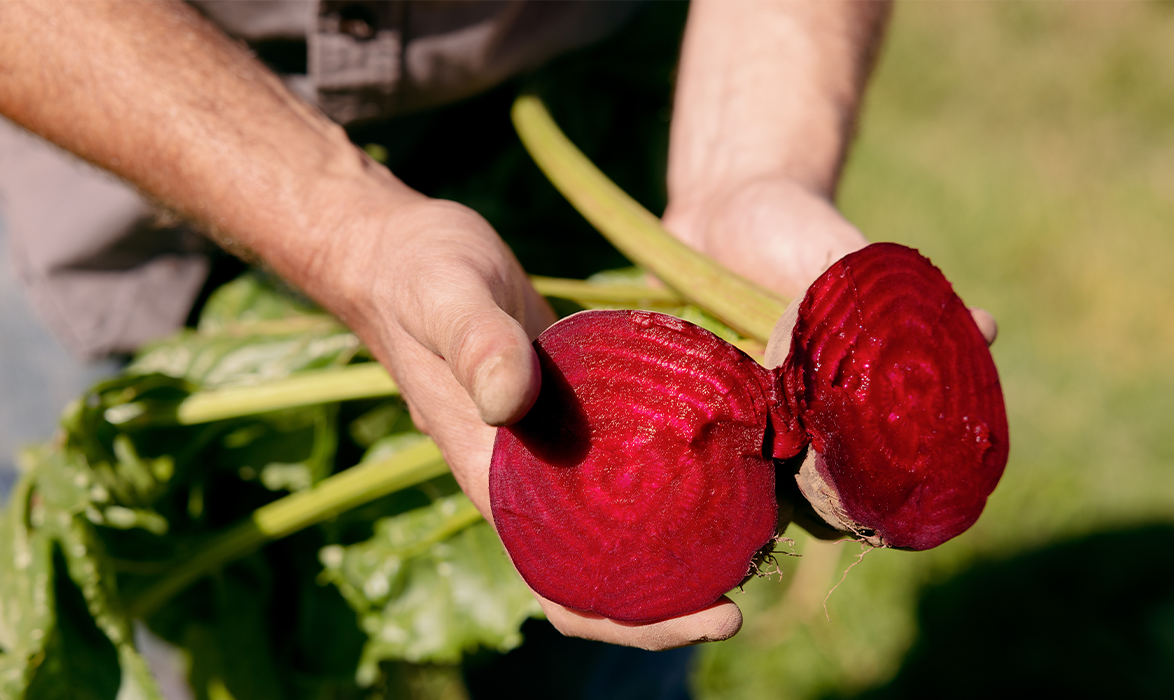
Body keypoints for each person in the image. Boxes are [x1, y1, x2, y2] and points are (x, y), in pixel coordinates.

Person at [0, 0, 933, 652]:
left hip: (582, 88)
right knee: (164, 628)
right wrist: (344, 233)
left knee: (590, 677)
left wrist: (751, 161)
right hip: (125, 137)